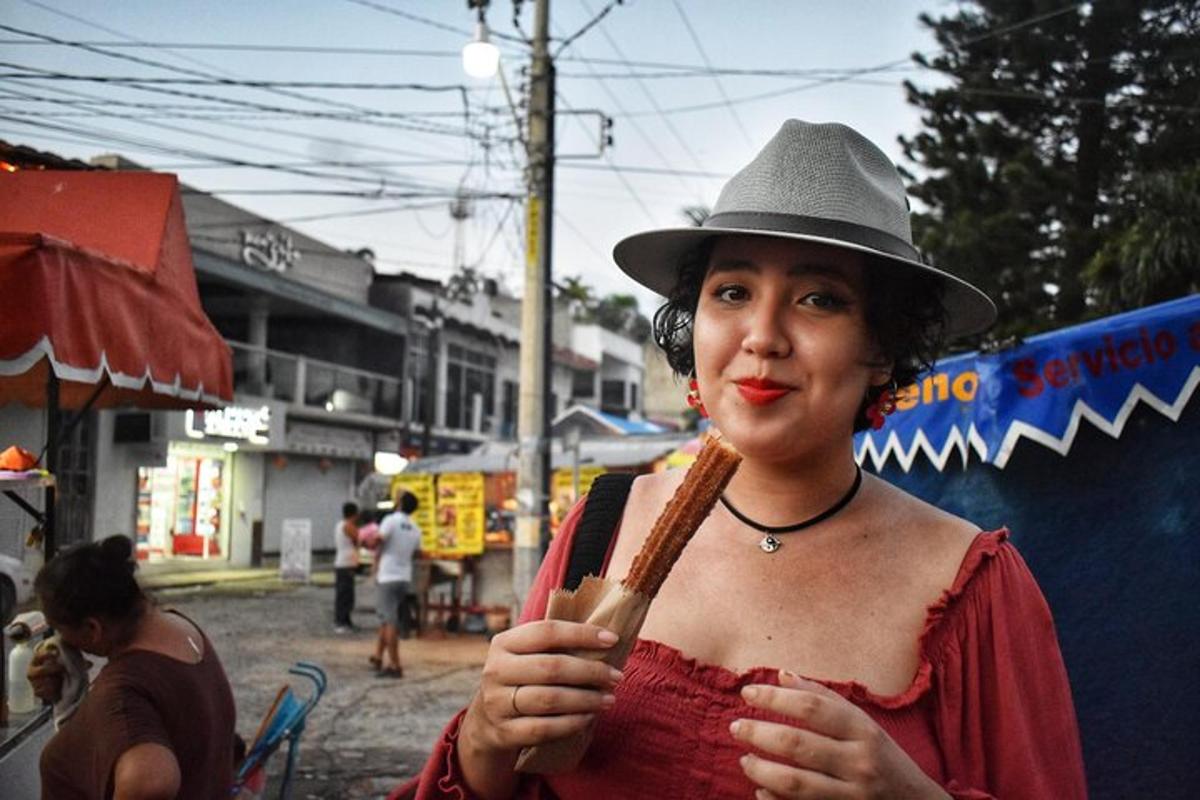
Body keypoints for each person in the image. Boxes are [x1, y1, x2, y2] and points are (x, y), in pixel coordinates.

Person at [403, 121, 1087, 799]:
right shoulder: (601, 526)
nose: (763, 337)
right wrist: (487, 738)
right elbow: (503, 773)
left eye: (820, 299)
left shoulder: (972, 589)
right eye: (732, 292)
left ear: (880, 347)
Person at [27, 535, 237, 799]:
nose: (60, 641)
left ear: (93, 629)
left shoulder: (123, 691)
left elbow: (151, 782)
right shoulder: (181, 630)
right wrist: (69, 692)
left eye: (60, 630)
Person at [371, 490, 423, 678]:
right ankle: (378, 655)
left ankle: (394, 664)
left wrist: (368, 542)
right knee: (386, 618)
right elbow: (418, 552)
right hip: (403, 577)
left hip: (388, 575)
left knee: (390, 621)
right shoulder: (415, 528)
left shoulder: (391, 521)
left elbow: (378, 540)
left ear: (400, 503)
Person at [334, 501, 361, 633]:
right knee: (345, 595)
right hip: (346, 564)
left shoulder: (340, 525)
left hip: (344, 562)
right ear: (354, 514)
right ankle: (341, 622)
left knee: (347, 595)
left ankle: (346, 621)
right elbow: (358, 538)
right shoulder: (348, 526)